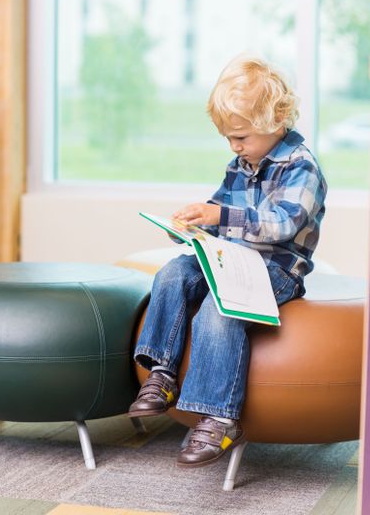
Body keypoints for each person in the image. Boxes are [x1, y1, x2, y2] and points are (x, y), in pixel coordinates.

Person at [128, 54, 327, 468]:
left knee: (220, 310)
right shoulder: (242, 164)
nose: (234, 147)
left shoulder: (301, 167)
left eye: (241, 137)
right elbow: (218, 214)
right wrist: (193, 226)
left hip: (277, 269)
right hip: (232, 259)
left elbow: (284, 224)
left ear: (278, 120)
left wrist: (222, 216)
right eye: (228, 139)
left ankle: (220, 416)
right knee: (174, 272)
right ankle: (162, 372)